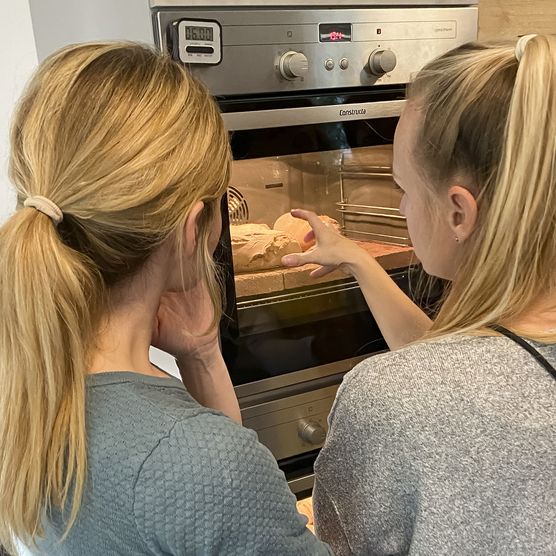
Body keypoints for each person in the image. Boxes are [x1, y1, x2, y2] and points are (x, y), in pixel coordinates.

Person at [0, 42, 331, 555]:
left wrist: (200, 355)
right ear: (192, 228)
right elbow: (209, 485)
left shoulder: (27, 387)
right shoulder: (197, 459)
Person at [282, 35, 556, 554]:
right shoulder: (481, 372)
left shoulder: (389, 403)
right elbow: (476, 371)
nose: (403, 208)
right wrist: (360, 259)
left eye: (403, 188)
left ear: (459, 211)